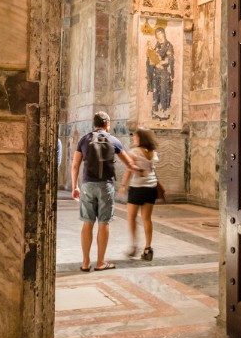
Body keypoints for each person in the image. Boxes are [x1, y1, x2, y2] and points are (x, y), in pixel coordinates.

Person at [71, 112, 138, 272]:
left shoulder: (84, 140)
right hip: (105, 186)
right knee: (103, 223)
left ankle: (85, 263)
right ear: (107, 124)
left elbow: (75, 166)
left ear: (94, 124)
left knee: (87, 223)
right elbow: (129, 163)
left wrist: (75, 186)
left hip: (88, 185)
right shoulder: (113, 140)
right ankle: (100, 262)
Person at [119, 127, 159, 262]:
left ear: (140, 138)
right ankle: (148, 249)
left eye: (135, 136)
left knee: (131, 217)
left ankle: (134, 246)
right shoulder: (153, 152)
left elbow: (129, 170)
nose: (133, 138)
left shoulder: (134, 152)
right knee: (147, 219)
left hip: (137, 188)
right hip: (151, 187)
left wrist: (123, 185)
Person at [146, 26, 174, 119]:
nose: (158, 36)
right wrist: (151, 59)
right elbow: (152, 58)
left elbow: (169, 60)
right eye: (156, 34)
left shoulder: (168, 45)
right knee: (156, 91)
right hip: (156, 73)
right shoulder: (156, 46)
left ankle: (164, 111)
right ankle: (156, 111)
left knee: (163, 91)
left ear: (163, 34)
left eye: (159, 34)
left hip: (164, 73)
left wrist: (159, 62)